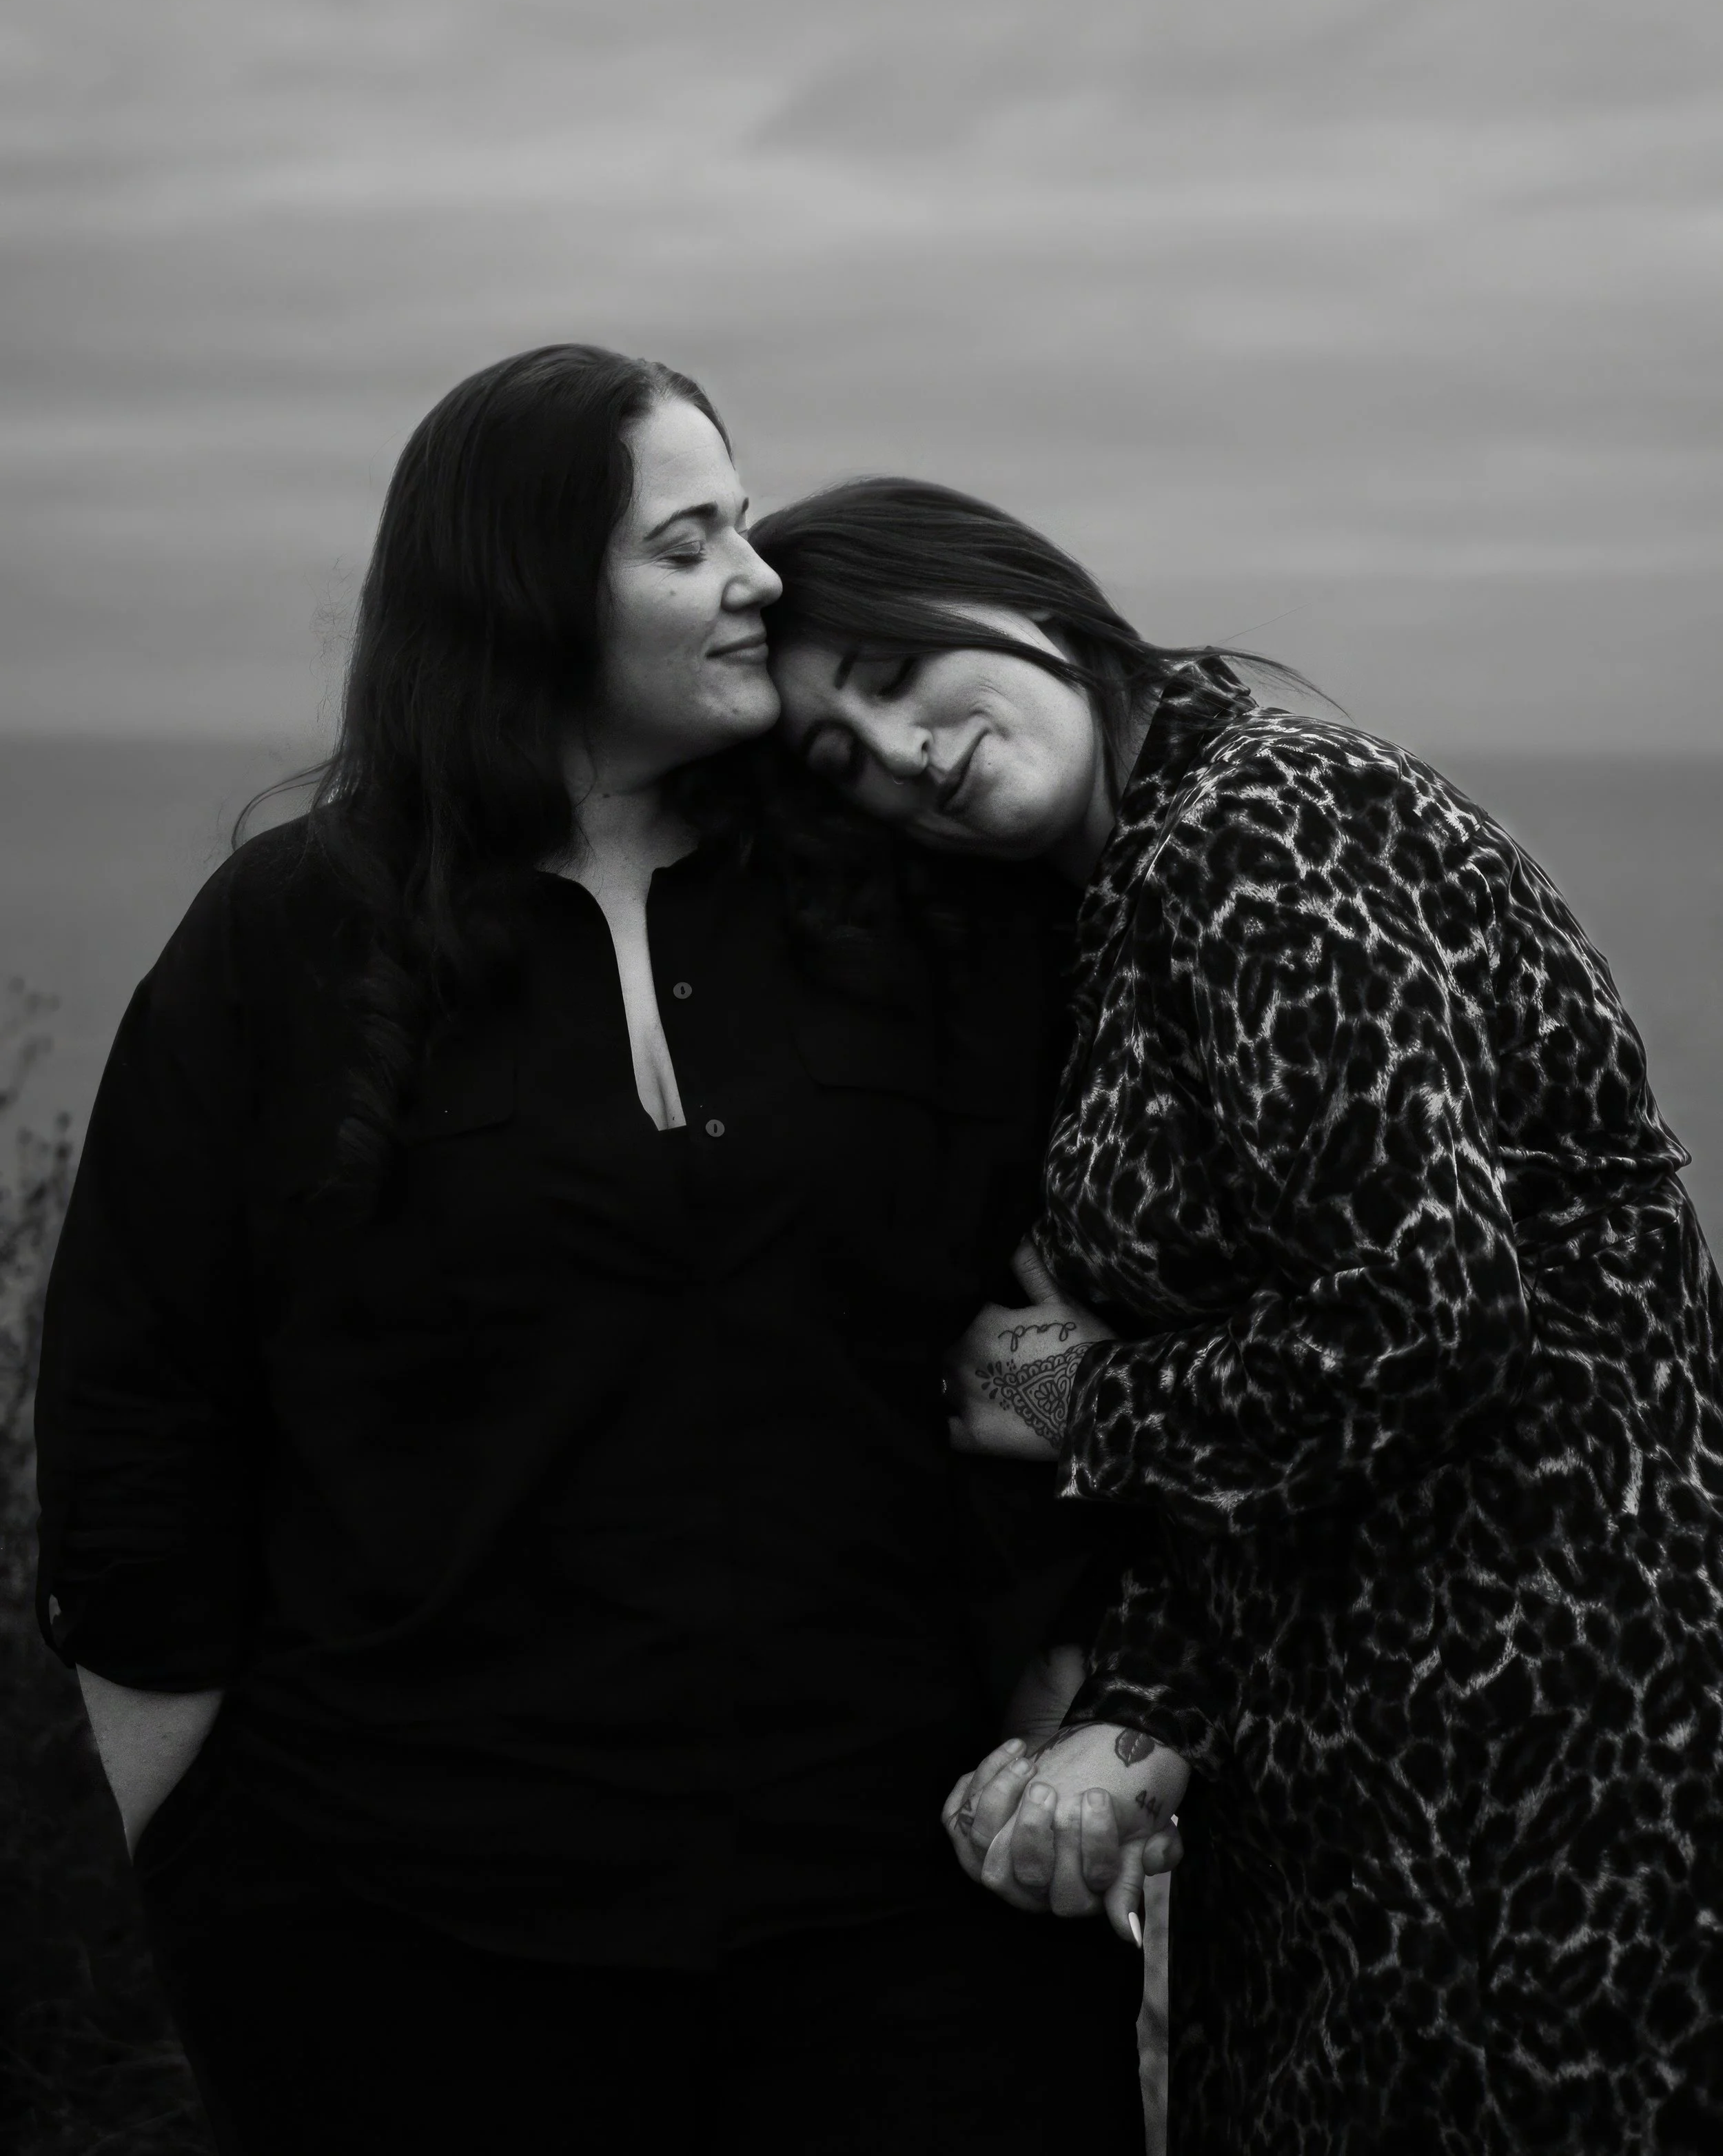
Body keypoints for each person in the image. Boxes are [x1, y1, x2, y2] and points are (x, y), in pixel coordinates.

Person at [34, 356, 1150, 2156]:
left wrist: (1065, 1591)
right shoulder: (285, 942)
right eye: (686, 536)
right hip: (408, 1934)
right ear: (526, 586)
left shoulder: (907, 900)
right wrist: (187, 1871)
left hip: (907, 1912)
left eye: (741, 517)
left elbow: (1051, 1309)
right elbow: (142, 1405)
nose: (759, 575)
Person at [759, 473, 1723, 2155]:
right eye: (840, 756)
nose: (900, 752)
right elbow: (1283, 1371)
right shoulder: (1127, 893)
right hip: (1364, 1737)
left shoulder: (1258, 826)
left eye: (895, 674)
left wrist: (1067, 1398)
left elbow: (1426, 1318)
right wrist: (1145, 1697)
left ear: (1016, 596)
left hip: (1539, 1730)